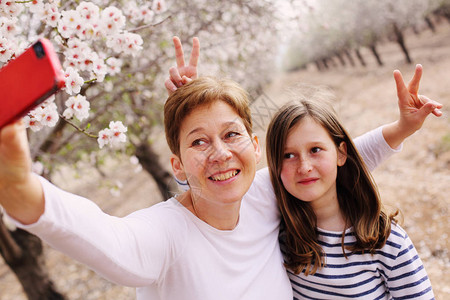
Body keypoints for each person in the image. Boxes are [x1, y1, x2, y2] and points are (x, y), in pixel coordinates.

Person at [0, 37, 441, 299]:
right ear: (178, 165)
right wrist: (20, 187)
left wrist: (401, 130)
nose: (220, 154)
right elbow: (108, 240)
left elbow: (329, 160)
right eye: (199, 142)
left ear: (253, 145)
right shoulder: (164, 233)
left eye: (231, 135)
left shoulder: (267, 194)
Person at [265, 94, 435, 299]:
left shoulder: (385, 241)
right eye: (288, 155)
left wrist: (402, 128)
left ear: (341, 153)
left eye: (315, 150)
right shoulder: (279, 237)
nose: (304, 167)